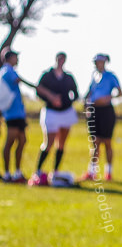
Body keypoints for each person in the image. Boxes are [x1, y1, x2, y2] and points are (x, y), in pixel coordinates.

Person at [29, 52, 79, 187]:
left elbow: (75, 93)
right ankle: (38, 171)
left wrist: (65, 101)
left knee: (61, 143)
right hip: (51, 111)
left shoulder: (68, 77)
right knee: (49, 142)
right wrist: (51, 99)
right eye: (59, 58)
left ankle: (55, 172)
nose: (61, 61)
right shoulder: (47, 75)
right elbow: (39, 91)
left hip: (66, 112)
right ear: (56, 59)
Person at [82, 53, 122, 181]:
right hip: (94, 112)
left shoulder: (111, 76)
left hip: (106, 112)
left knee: (107, 142)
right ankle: (92, 171)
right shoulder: (94, 76)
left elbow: (119, 92)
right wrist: (86, 103)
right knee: (95, 142)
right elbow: (89, 92)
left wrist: (107, 98)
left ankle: (108, 172)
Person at [1, 48, 31, 183]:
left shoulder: (7, 71)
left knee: (22, 141)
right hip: (12, 114)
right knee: (10, 142)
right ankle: (7, 173)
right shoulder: (7, 71)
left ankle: (17, 172)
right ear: (9, 58)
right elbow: (18, 81)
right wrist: (38, 88)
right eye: (15, 57)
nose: (17, 59)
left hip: (18, 113)